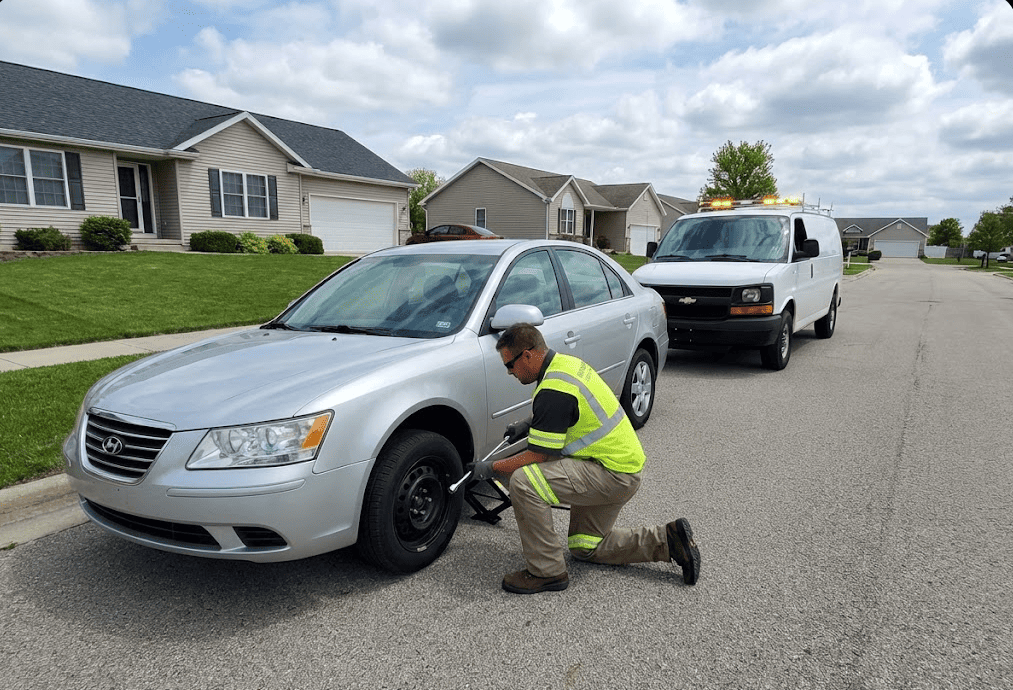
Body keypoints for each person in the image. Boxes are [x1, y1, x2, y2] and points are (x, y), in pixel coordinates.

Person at [467, 323, 701, 594]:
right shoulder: (565, 365)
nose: (510, 372)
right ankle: (668, 541)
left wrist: (490, 469)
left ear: (528, 355)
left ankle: (546, 572)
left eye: (510, 364)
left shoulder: (552, 390)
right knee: (585, 547)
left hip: (611, 474)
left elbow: (538, 456)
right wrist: (528, 424)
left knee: (524, 481)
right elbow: (565, 410)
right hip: (621, 467)